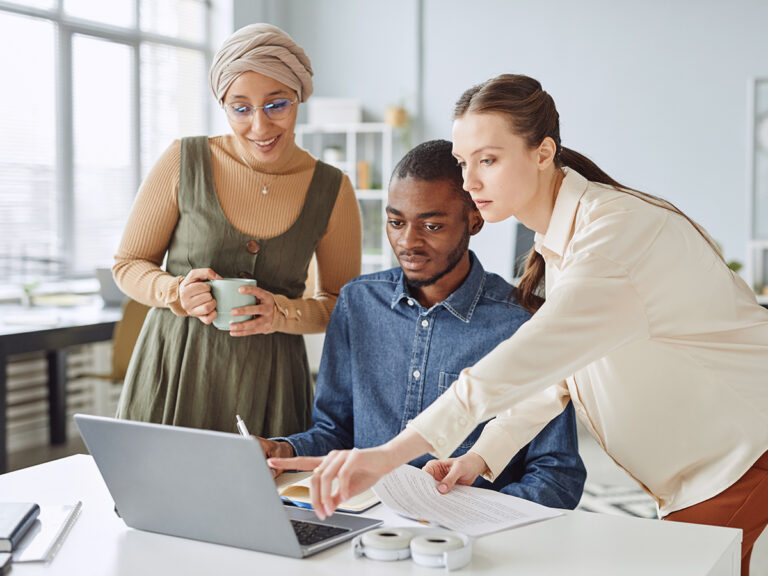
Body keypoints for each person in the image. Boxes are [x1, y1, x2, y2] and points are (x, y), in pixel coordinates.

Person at [270, 75, 768, 575]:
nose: (470, 182)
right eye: (465, 164)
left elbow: (516, 365)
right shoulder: (562, 245)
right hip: (703, 476)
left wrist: (387, 455)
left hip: (743, 462)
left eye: (488, 159)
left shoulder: (614, 237)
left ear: (543, 152)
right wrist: (480, 458)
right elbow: (557, 377)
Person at [258, 140, 586, 509]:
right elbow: (335, 432)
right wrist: (280, 448)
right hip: (367, 525)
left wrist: (473, 521)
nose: (407, 241)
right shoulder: (358, 303)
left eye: (431, 225)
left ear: (474, 219)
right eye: (396, 222)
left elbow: (556, 476)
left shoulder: (524, 320)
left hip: (471, 541)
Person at [113, 23, 361, 437]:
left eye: (277, 105)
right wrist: (175, 291)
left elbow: (342, 305)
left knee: (265, 500)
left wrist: (281, 313)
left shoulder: (332, 188)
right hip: (175, 368)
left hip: (272, 383)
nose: (260, 128)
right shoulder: (183, 160)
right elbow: (128, 264)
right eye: (240, 108)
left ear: (299, 97)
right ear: (223, 104)